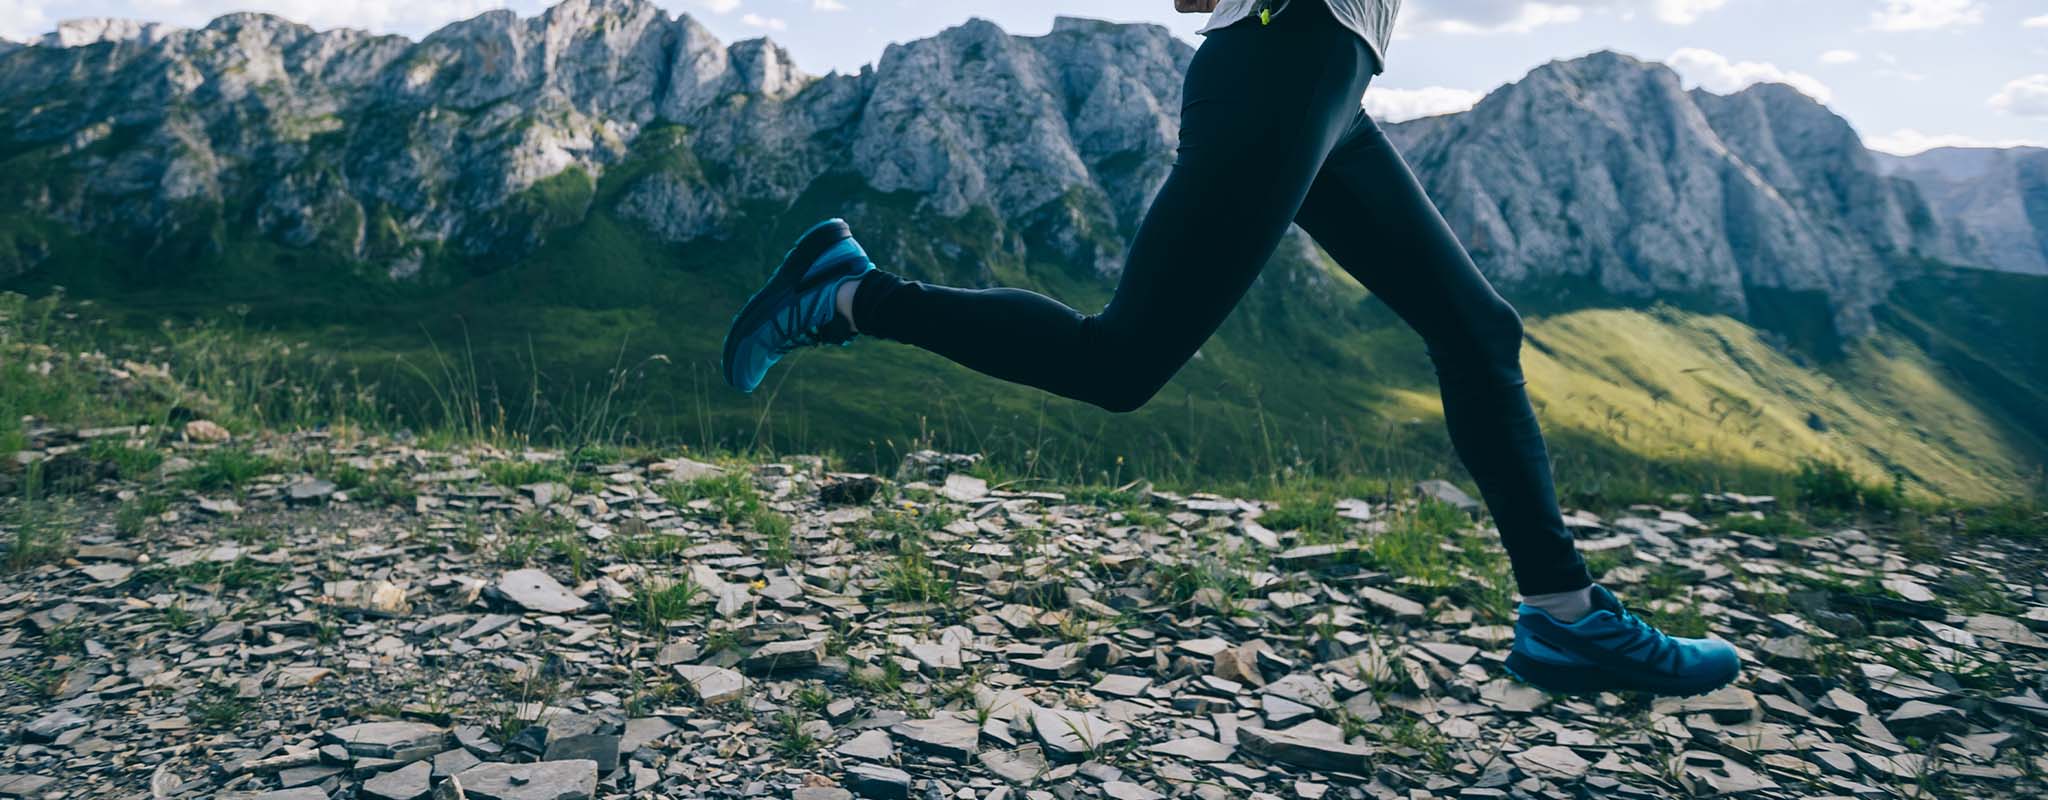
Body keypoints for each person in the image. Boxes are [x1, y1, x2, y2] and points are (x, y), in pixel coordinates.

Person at [720, 0, 1741, 698]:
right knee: (1119, 363)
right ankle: (847, 295)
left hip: (1326, 78)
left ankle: (1563, 616)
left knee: (1478, 330)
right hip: (1283, 62)